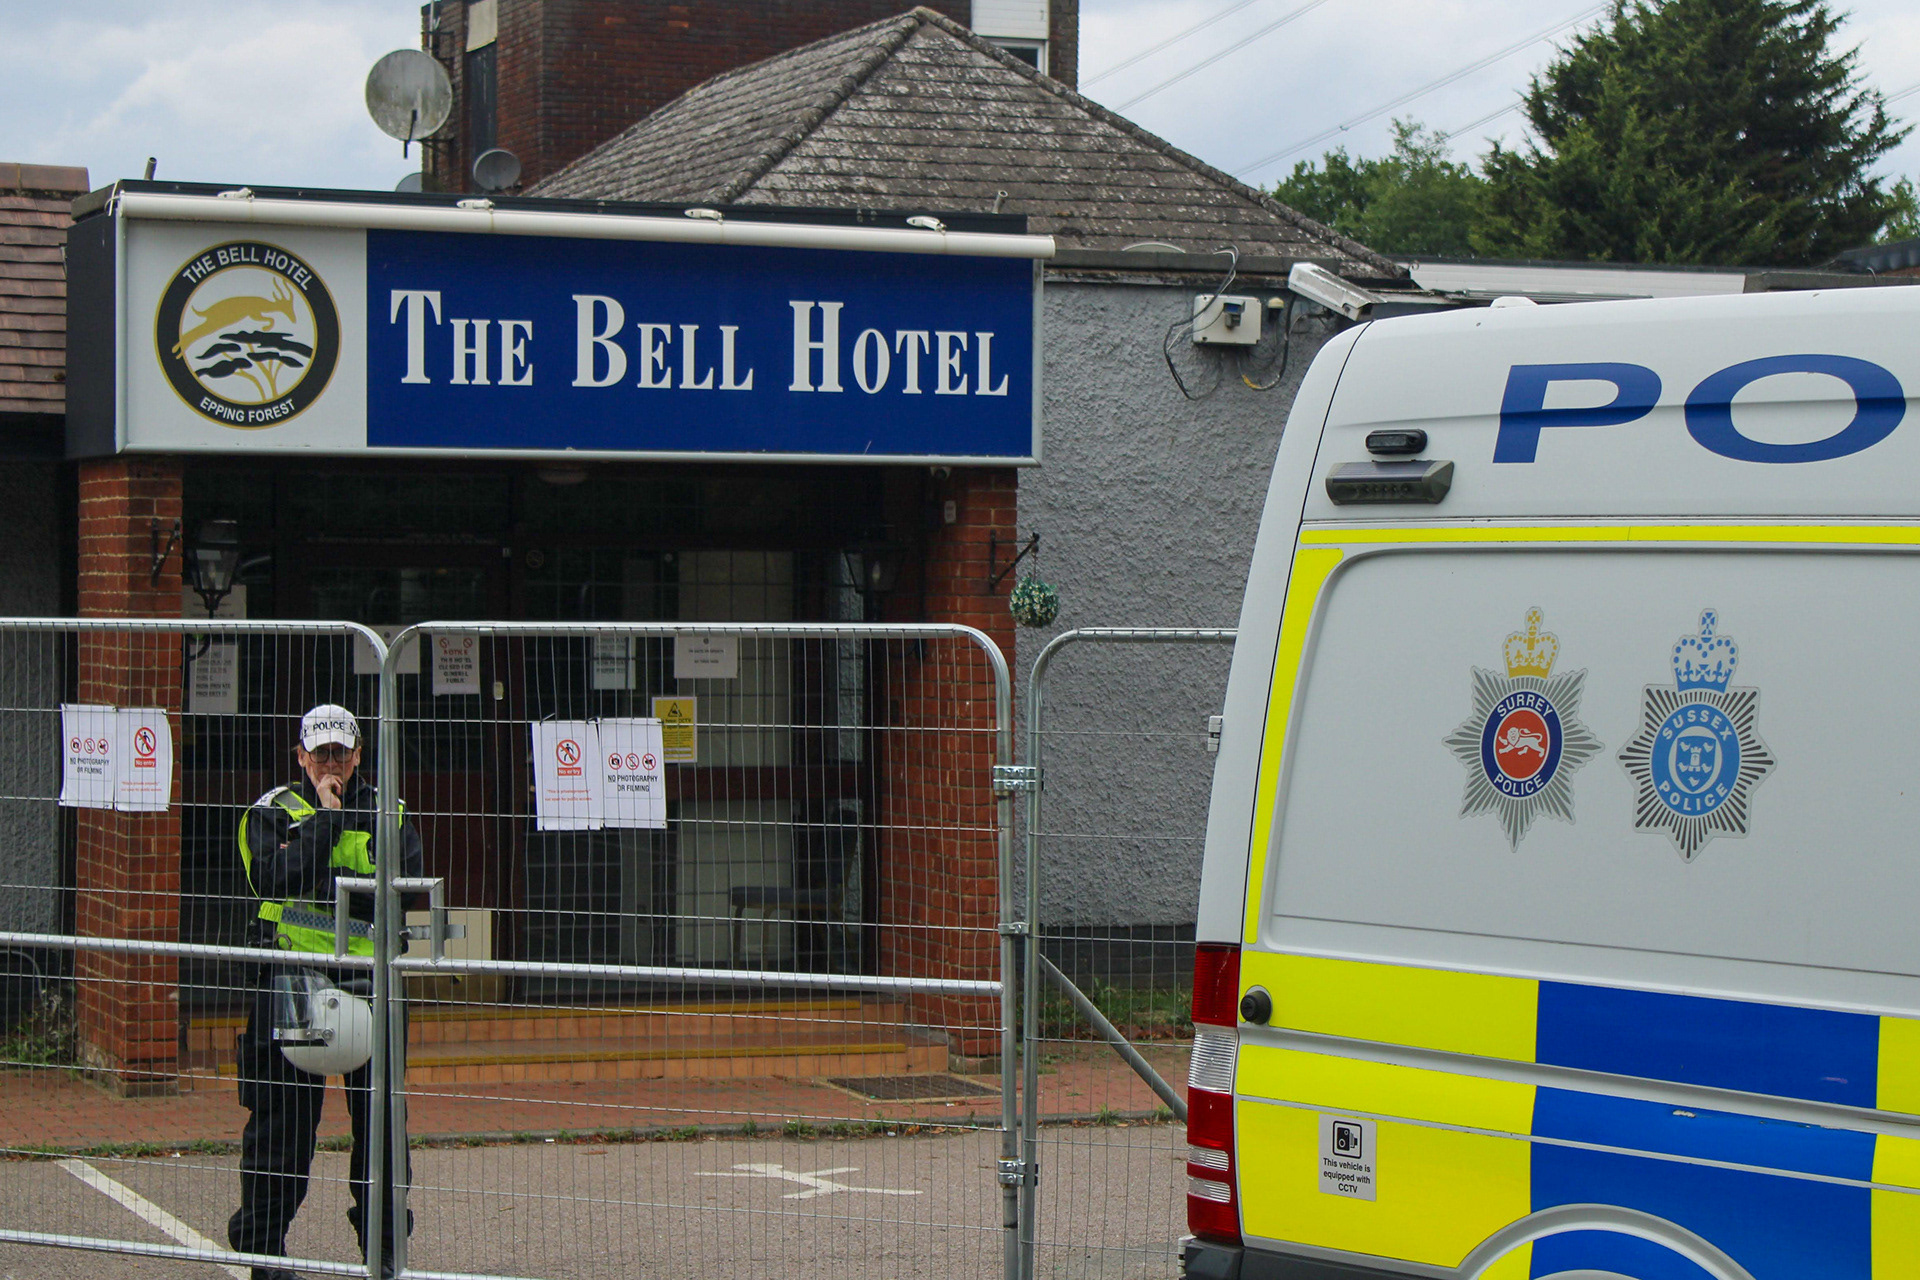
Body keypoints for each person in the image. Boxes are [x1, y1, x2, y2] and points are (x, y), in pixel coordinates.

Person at [227, 704, 422, 1280]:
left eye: (340, 752)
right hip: (291, 982)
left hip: (370, 985)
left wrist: (319, 871)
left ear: (358, 755)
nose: (330, 763)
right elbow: (272, 879)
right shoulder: (270, 812)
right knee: (281, 1133)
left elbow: (401, 891)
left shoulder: (389, 812)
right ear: (301, 756)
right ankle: (264, 1253)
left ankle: (384, 1252)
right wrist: (328, 821)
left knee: (382, 1132)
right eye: (320, 753)